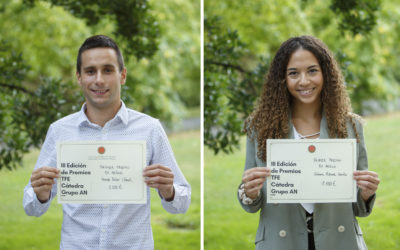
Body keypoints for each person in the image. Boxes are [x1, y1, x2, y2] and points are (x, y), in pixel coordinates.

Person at [23, 35, 191, 249]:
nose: (99, 80)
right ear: (79, 77)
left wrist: (169, 191)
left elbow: (182, 204)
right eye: (90, 71)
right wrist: (40, 193)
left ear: (122, 75)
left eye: (108, 70)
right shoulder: (59, 131)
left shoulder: (150, 129)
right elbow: (31, 207)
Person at [237, 36, 380, 250]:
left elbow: (359, 207)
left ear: (326, 74)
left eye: (312, 70)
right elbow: (251, 204)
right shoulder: (258, 127)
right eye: (294, 73)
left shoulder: (351, 126)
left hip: (340, 241)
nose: (304, 81)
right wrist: (249, 191)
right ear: (282, 79)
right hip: (281, 242)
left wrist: (367, 193)